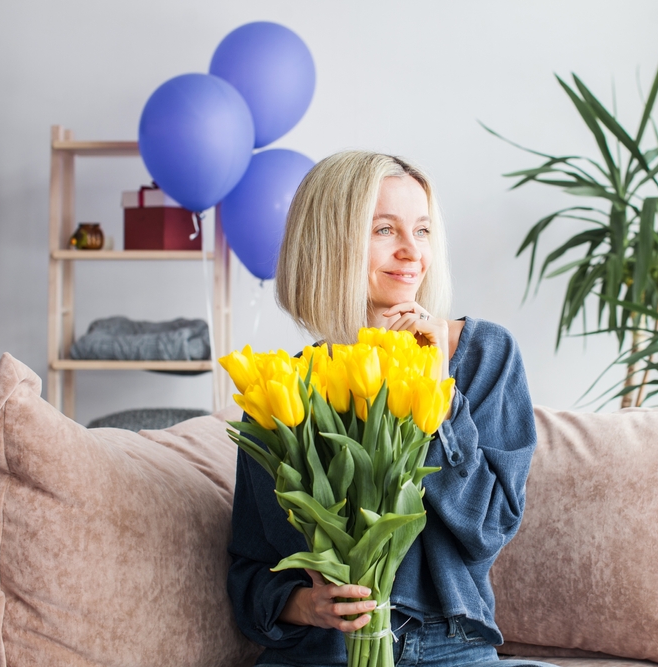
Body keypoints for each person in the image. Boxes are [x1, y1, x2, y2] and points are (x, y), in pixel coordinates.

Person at [227, 150, 551, 667]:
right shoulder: (284, 389)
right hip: (325, 652)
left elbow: (488, 528)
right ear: (330, 242)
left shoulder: (484, 356)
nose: (411, 252)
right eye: (384, 230)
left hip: (449, 647)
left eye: (421, 231)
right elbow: (249, 568)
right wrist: (304, 606)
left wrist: (436, 392)